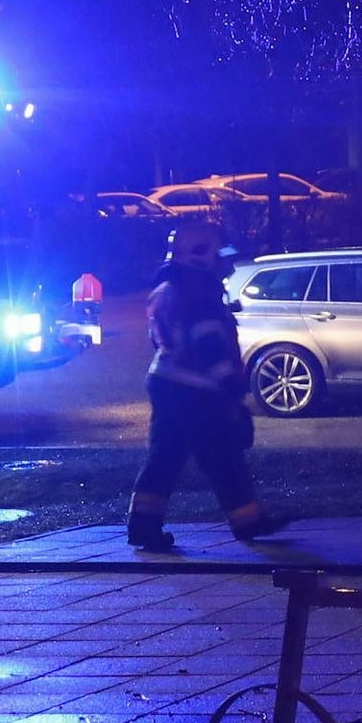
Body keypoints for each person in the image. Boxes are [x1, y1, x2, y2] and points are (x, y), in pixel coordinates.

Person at [126, 216, 294, 553]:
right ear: (200, 254)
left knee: (177, 456)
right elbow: (209, 343)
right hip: (195, 389)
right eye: (218, 256)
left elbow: (164, 340)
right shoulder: (197, 292)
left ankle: (145, 526)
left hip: (170, 382)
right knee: (217, 454)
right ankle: (246, 521)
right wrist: (231, 388)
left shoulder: (168, 287)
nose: (224, 264)